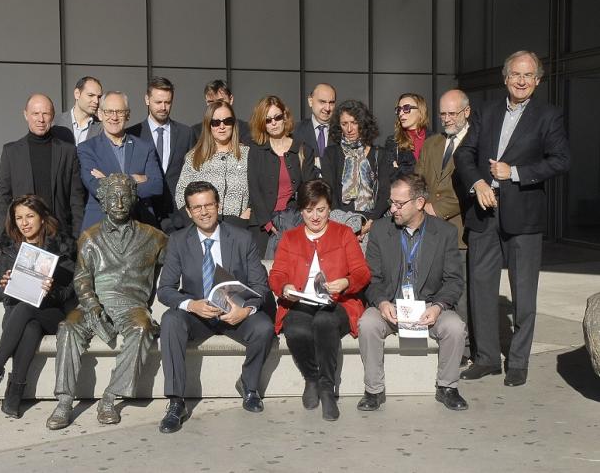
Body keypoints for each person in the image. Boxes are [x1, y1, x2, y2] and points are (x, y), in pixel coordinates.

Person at [455, 50, 570, 387]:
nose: (522, 81)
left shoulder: (548, 116)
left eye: (529, 75)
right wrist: (477, 183)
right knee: (480, 288)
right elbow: (465, 153)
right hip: (484, 212)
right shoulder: (486, 112)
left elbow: (561, 160)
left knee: (524, 293)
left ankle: (518, 362)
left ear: (538, 81)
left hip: (524, 216)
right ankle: (488, 358)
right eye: (516, 75)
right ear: (505, 78)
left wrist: (515, 172)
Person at [46, 174, 167, 430]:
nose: (119, 203)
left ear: (134, 199)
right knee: (68, 328)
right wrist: (91, 305)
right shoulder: (90, 237)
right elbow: (81, 278)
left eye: (125, 197)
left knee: (142, 328)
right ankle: (65, 400)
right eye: (113, 198)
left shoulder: (154, 237)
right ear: (103, 203)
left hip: (132, 305)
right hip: (94, 303)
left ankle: (111, 397)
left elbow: (179, 262)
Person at [157, 181, 274, 433]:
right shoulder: (178, 241)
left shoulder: (242, 238)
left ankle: (249, 385)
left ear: (218, 205)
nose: (204, 212)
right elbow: (165, 289)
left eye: (209, 204)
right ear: (188, 212)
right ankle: (177, 402)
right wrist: (191, 305)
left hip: (235, 313)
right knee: (170, 320)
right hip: (198, 316)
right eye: (196, 207)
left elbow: (260, 285)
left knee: (264, 326)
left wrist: (246, 310)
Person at [357, 174, 468, 411]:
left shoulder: (445, 232)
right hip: (392, 307)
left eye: (399, 204)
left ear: (419, 203)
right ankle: (373, 390)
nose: (393, 209)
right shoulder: (379, 231)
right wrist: (382, 302)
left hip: (428, 307)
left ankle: (447, 387)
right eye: (391, 202)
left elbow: (454, 281)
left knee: (455, 327)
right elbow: (371, 278)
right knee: (368, 324)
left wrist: (438, 307)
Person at [268, 180, 370, 420]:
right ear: (301, 210)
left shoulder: (343, 233)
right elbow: (277, 274)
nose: (315, 216)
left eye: (321, 210)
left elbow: (362, 272)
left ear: (329, 209)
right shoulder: (290, 237)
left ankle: (327, 387)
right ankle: (311, 378)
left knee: (324, 323)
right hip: (301, 301)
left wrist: (346, 282)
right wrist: (284, 287)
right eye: (308, 210)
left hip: (338, 303)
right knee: (295, 329)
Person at [0, 195, 77, 418]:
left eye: (30, 216)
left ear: (42, 218)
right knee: (29, 325)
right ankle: (14, 393)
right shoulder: (9, 248)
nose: (24, 222)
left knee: (28, 309)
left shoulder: (61, 246)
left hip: (50, 312)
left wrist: (51, 289)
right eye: (19, 218)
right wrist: (6, 285)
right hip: (16, 316)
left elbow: (69, 292)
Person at [415, 89, 471, 360]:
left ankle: (463, 349)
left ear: (466, 112)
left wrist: (435, 208)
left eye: (453, 113)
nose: (447, 119)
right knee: (433, 287)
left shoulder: (476, 142)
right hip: (429, 230)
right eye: (443, 114)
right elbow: (419, 180)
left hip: (459, 231)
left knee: (459, 292)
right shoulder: (432, 143)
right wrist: (419, 204)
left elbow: (471, 187)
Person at [0, 93, 85, 246]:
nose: (41, 119)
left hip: (60, 239)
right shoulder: (11, 152)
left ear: (53, 116)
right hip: (23, 238)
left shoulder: (68, 151)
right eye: (35, 113)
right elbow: (4, 199)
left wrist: (76, 238)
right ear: (26, 115)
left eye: (46, 113)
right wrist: (4, 240)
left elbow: (76, 199)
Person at [76, 91, 163, 229]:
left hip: (140, 224)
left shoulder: (145, 147)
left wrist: (109, 179)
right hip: (100, 226)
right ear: (100, 114)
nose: (114, 117)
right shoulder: (87, 148)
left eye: (120, 112)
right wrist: (134, 179)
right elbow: (95, 187)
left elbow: (157, 186)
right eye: (109, 111)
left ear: (127, 114)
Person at [248, 95, 317, 258]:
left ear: (284, 117)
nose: (273, 123)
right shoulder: (256, 151)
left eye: (277, 117)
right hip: (264, 225)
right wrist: (267, 223)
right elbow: (254, 189)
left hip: (295, 221)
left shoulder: (302, 149)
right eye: (268, 120)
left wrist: (301, 219)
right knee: (265, 274)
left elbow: (310, 187)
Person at [127, 77, 197, 229]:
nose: (163, 107)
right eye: (158, 102)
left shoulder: (186, 133)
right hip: (144, 214)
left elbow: (194, 174)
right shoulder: (132, 135)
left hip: (179, 215)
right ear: (147, 100)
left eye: (167, 102)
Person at [321, 100, 393, 245]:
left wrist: (369, 223)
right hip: (341, 223)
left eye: (354, 122)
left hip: (374, 223)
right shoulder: (331, 153)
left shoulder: (381, 154)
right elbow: (329, 192)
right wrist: (346, 225)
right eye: (344, 123)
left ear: (363, 124)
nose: (349, 129)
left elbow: (386, 192)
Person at [174, 101, 250, 228]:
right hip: (202, 228)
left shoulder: (247, 155)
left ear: (233, 124)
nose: (222, 126)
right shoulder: (194, 157)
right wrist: (193, 223)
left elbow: (258, 189)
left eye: (227, 121)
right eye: (215, 122)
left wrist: (249, 213)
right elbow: (181, 193)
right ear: (208, 125)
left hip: (238, 226)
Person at [191, 79, 254, 146]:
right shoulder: (195, 132)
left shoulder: (246, 129)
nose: (216, 106)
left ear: (231, 99)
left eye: (220, 101)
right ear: (206, 102)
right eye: (211, 102)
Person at [52, 76, 103, 146]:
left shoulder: (102, 127)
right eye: (91, 95)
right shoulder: (55, 122)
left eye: (99, 97)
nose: (96, 101)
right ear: (77, 94)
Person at [293, 83, 337, 161]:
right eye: (322, 102)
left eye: (331, 103)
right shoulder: (296, 131)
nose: (327, 108)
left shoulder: (343, 131)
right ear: (310, 101)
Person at [386, 93, 427, 176]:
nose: (401, 113)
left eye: (406, 108)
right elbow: (392, 176)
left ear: (420, 110)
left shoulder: (437, 139)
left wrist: (401, 169)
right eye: (399, 109)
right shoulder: (393, 141)